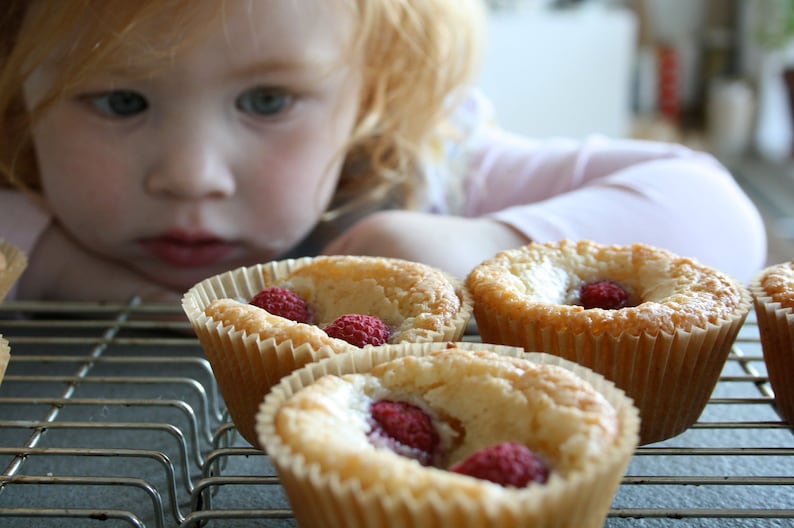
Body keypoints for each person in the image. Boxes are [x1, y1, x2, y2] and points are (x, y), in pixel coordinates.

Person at [0, 0, 766, 302]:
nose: (191, 176)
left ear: (371, 92)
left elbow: (719, 218)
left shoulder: (429, 173)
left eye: (267, 101)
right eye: (121, 101)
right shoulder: (21, 179)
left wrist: (491, 244)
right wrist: (49, 259)